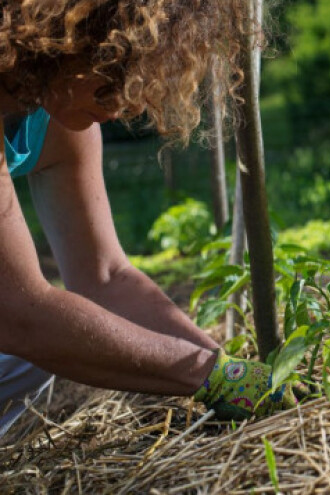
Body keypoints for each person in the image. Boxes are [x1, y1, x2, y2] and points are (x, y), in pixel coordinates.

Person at [0, 0, 289, 436]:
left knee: (28, 362)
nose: (126, 103)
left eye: (138, 78)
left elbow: (106, 277)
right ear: (63, 40)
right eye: (115, 70)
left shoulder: (55, 127)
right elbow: (19, 314)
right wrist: (203, 375)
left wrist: (227, 371)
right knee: (35, 340)